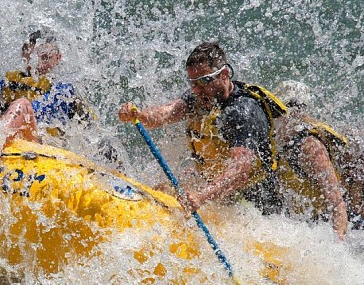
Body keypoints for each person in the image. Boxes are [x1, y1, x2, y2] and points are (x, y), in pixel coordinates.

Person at [117, 41, 287, 215]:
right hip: (214, 189)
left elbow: (240, 170)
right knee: (162, 188)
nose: (197, 90)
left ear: (224, 74)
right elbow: (166, 113)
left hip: (254, 205)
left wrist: (201, 196)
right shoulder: (200, 97)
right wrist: (138, 115)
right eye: (193, 83)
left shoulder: (243, 112)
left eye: (204, 81)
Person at [0, 29, 94, 138]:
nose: (38, 65)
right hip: (12, 137)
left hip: (45, 145)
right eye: (32, 57)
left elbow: (36, 112)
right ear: (24, 56)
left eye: (45, 58)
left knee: (22, 105)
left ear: (58, 58)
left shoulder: (63, 90)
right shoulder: (8, 82)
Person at [272, 80, 349, 240]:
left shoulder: (311, 148)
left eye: (296, 108)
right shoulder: (279, 140)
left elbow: (337, 205)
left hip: (331, 218)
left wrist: (337, 249)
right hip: (304, 218)